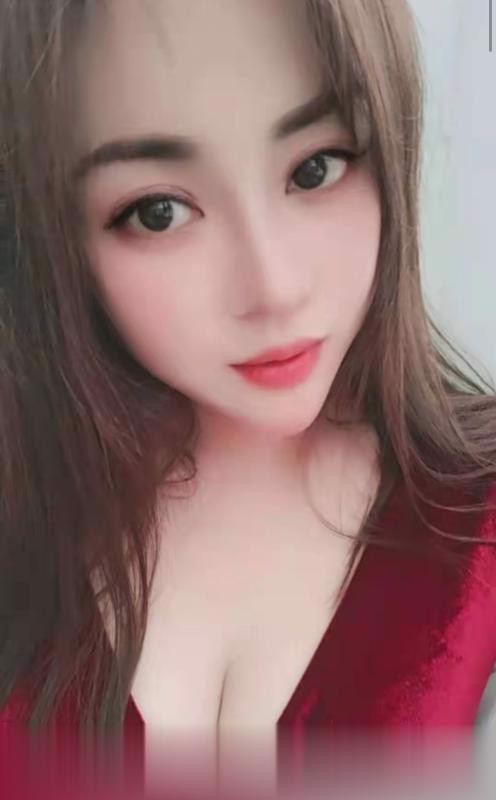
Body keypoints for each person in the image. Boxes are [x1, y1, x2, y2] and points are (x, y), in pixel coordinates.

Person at [0, 0, 496, 797]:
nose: (274, 287)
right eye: (159, 212)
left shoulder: (478, 518)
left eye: (316, 167)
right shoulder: (27, 523)